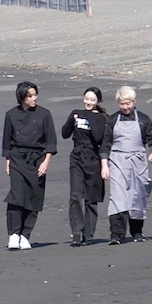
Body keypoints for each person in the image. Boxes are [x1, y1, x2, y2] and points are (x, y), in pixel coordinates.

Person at [101, 85, 152, 244]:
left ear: (134, 102)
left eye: (128, 103)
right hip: (117, 162)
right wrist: (104, 165)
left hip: (138, 162)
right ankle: (116, 235)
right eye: (122, 104)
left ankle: (137, 232)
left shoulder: (143, 119)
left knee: (137, 197)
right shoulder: (112, 120)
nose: (125, 107)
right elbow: (105, 144)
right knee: (118, 198)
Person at [1, 81, 57, 250]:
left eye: (35, 95)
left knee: (34, 197)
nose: (34, 98)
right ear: (22, 97)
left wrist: (46, 162)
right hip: (17, 157)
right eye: (30, 96)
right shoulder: (11, 114)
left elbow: (51, 142)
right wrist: (8, 160)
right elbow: (7, 141)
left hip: (37, 159)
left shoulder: (44, 114)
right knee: (16, 196)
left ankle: (26, 235)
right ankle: (14, 234)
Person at [61, 88, 109, 246]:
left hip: (93, 159)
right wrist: (71, 120)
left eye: (92, 100)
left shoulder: (101, 118)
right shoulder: (76, 113)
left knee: (91, 199)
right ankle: (76, 231)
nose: (88, 102)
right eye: (87, 99)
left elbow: (98, 137)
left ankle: (88, 234)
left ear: (98, 102)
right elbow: (64, 133)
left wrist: (90, 117)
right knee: (75, 195)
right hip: (77, 157)